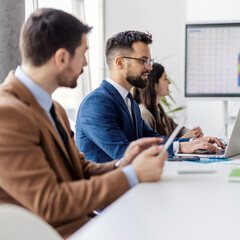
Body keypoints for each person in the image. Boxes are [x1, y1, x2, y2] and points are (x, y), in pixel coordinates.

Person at [0, 8, 168, 238]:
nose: (86, 63)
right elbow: (50, 203)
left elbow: (79, 169)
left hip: (85, 223)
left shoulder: (53, 107)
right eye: (83, 54)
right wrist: (131, 175)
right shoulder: (6, 114)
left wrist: (123, 164)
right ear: (61, 58)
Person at [76, 31, 224, 163]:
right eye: (143, 60)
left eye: (149, 61)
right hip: (111, 189)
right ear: (120, 63)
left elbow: (151, 139)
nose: (149, 67)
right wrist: (182, 146)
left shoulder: (129, 101)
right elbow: (122, 152)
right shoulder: (96, 103)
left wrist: (193, 142)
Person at [133, 62, 203, 139]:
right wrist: (182, 140)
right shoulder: (144, 114)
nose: (169, 82)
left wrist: (193, 133)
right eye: (165, 78)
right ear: (154, 84)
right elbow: (150, 147)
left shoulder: (158, 109)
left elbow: (178, 130)